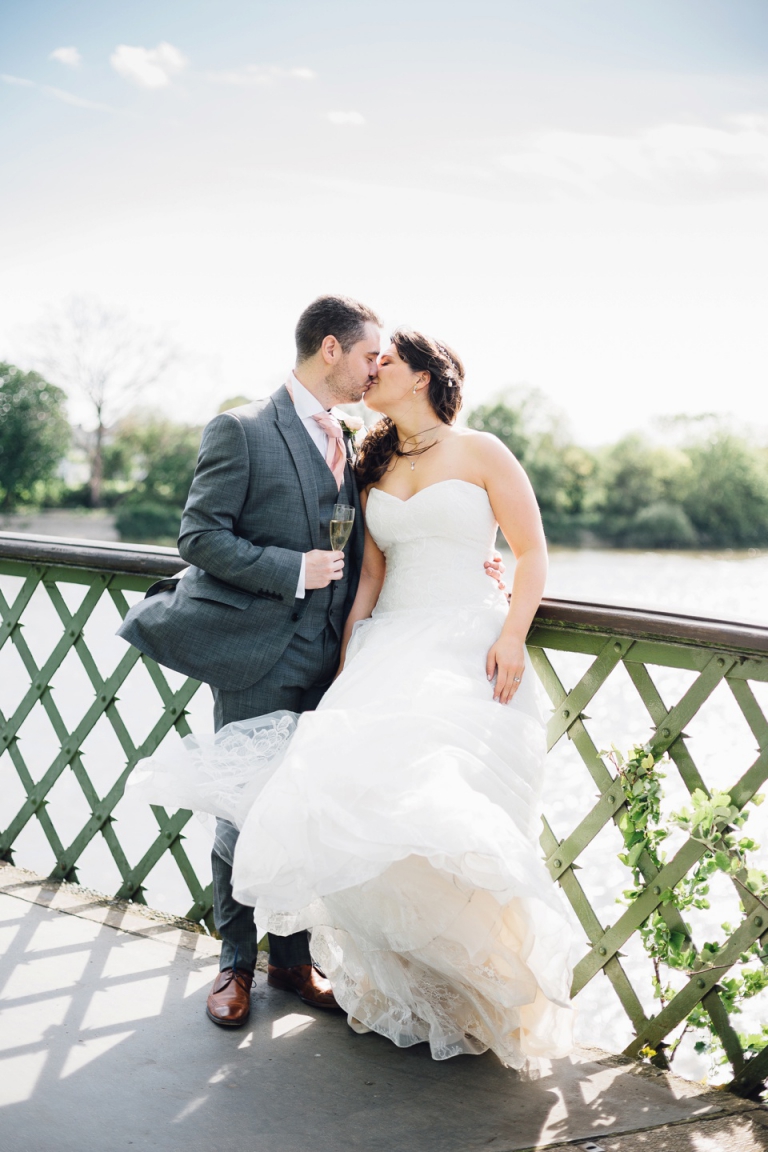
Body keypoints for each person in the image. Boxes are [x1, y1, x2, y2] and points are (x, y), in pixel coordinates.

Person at [130, 327, 574, 1067]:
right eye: (370, 358)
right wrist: (348, 662)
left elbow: (531, 553)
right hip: (381, 650)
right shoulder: (371, 462)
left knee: (450, 814)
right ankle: (252, 964)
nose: (374, 372)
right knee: (307, 802)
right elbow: (367, 578)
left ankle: (476, 985)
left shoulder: (485, 451)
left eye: (388, 363)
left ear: (428, 375)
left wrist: (513, 634)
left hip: (467, 649)